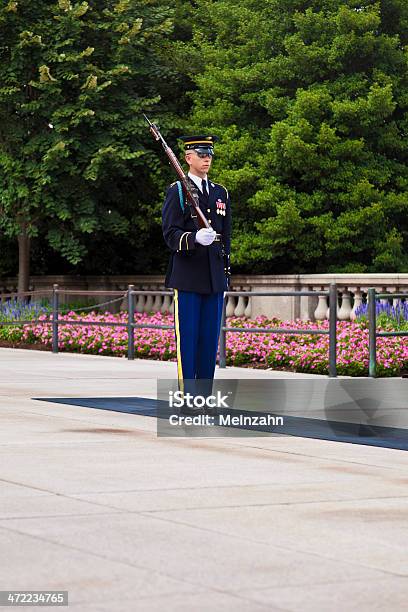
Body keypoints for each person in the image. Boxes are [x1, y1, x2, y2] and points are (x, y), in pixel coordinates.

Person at [162, 135, 231, 414]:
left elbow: (226, 236)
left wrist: (225, 273)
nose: (207, 158)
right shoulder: (178, 191)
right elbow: (169, 234)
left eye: (210, 154)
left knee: (208, 343)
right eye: (201, 153)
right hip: (188, 277)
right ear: (188, 157)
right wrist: (192, 238)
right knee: (188, 341)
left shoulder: (220, 193)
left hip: (214, 278)